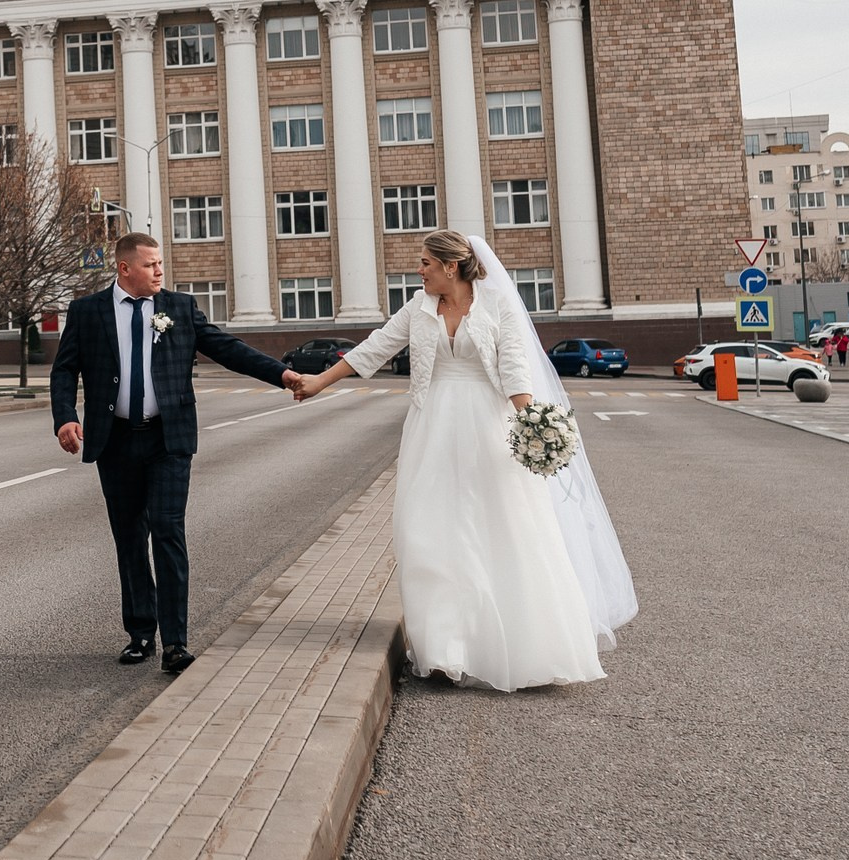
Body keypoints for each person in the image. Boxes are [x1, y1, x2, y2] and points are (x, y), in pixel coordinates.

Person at [291, 229, 636, 690]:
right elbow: (376, 346)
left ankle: (521, 644)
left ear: (450, 266)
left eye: (425, 263)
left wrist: (534, 425)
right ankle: (444, 650)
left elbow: (514, 368)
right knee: (428, 531)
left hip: (487, 428)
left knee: (500, 526)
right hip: (431, 428)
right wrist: (318, 382)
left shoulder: (496, 306)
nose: (419, 270)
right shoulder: (419, 307)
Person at [51, 232, 303, 674]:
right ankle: (140, 634)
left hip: (168, 439)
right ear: (125, 268)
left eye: (160, 263)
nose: (159, 271)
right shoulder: (87, 311)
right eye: (150, 264)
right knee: (130, 537)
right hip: (115, 441)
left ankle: (175, 643)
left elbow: (227, 349)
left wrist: (281, 374)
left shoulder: (179, 308)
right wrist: (65, 416)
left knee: (168, 530)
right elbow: (65, 368)